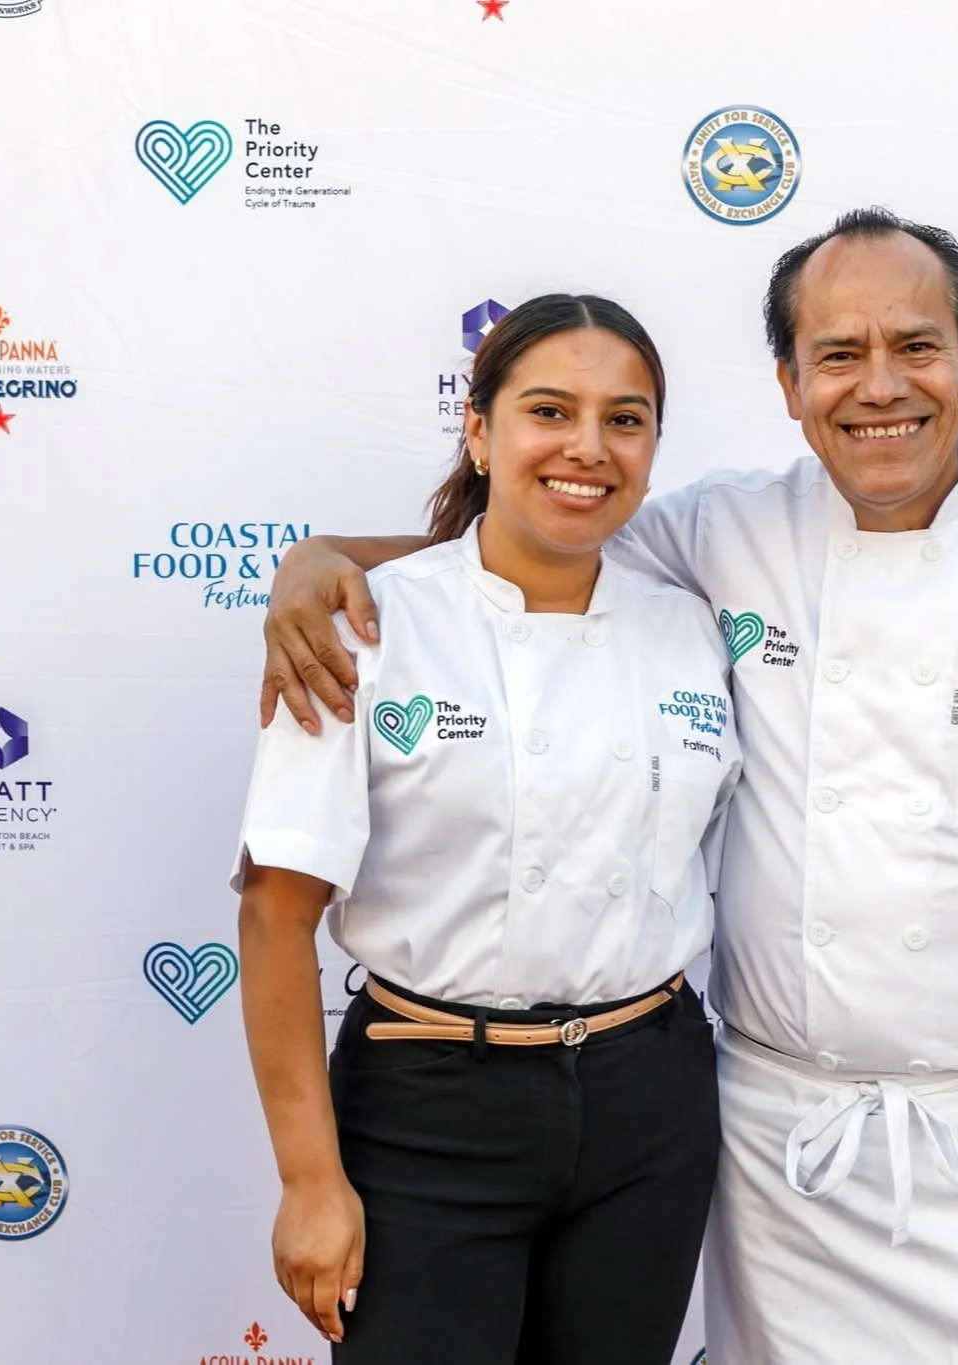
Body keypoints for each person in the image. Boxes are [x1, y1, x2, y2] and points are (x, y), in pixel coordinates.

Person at [259, 209, 958, 1363]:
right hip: (779, 1134)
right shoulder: (718, 531)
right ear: (789, 386)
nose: (879, 386)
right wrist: (323, 560)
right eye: (837, 355)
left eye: (916, 345)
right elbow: (526, 539)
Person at [232, 293, 740, 1365]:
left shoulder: (692, 627)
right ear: (478, 428)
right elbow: (277, 918)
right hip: (427, 1109)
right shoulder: (365, 624)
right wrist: (309, 1181)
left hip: (648, 1103)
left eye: (625, 419)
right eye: (548, 410)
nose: (586, 449)